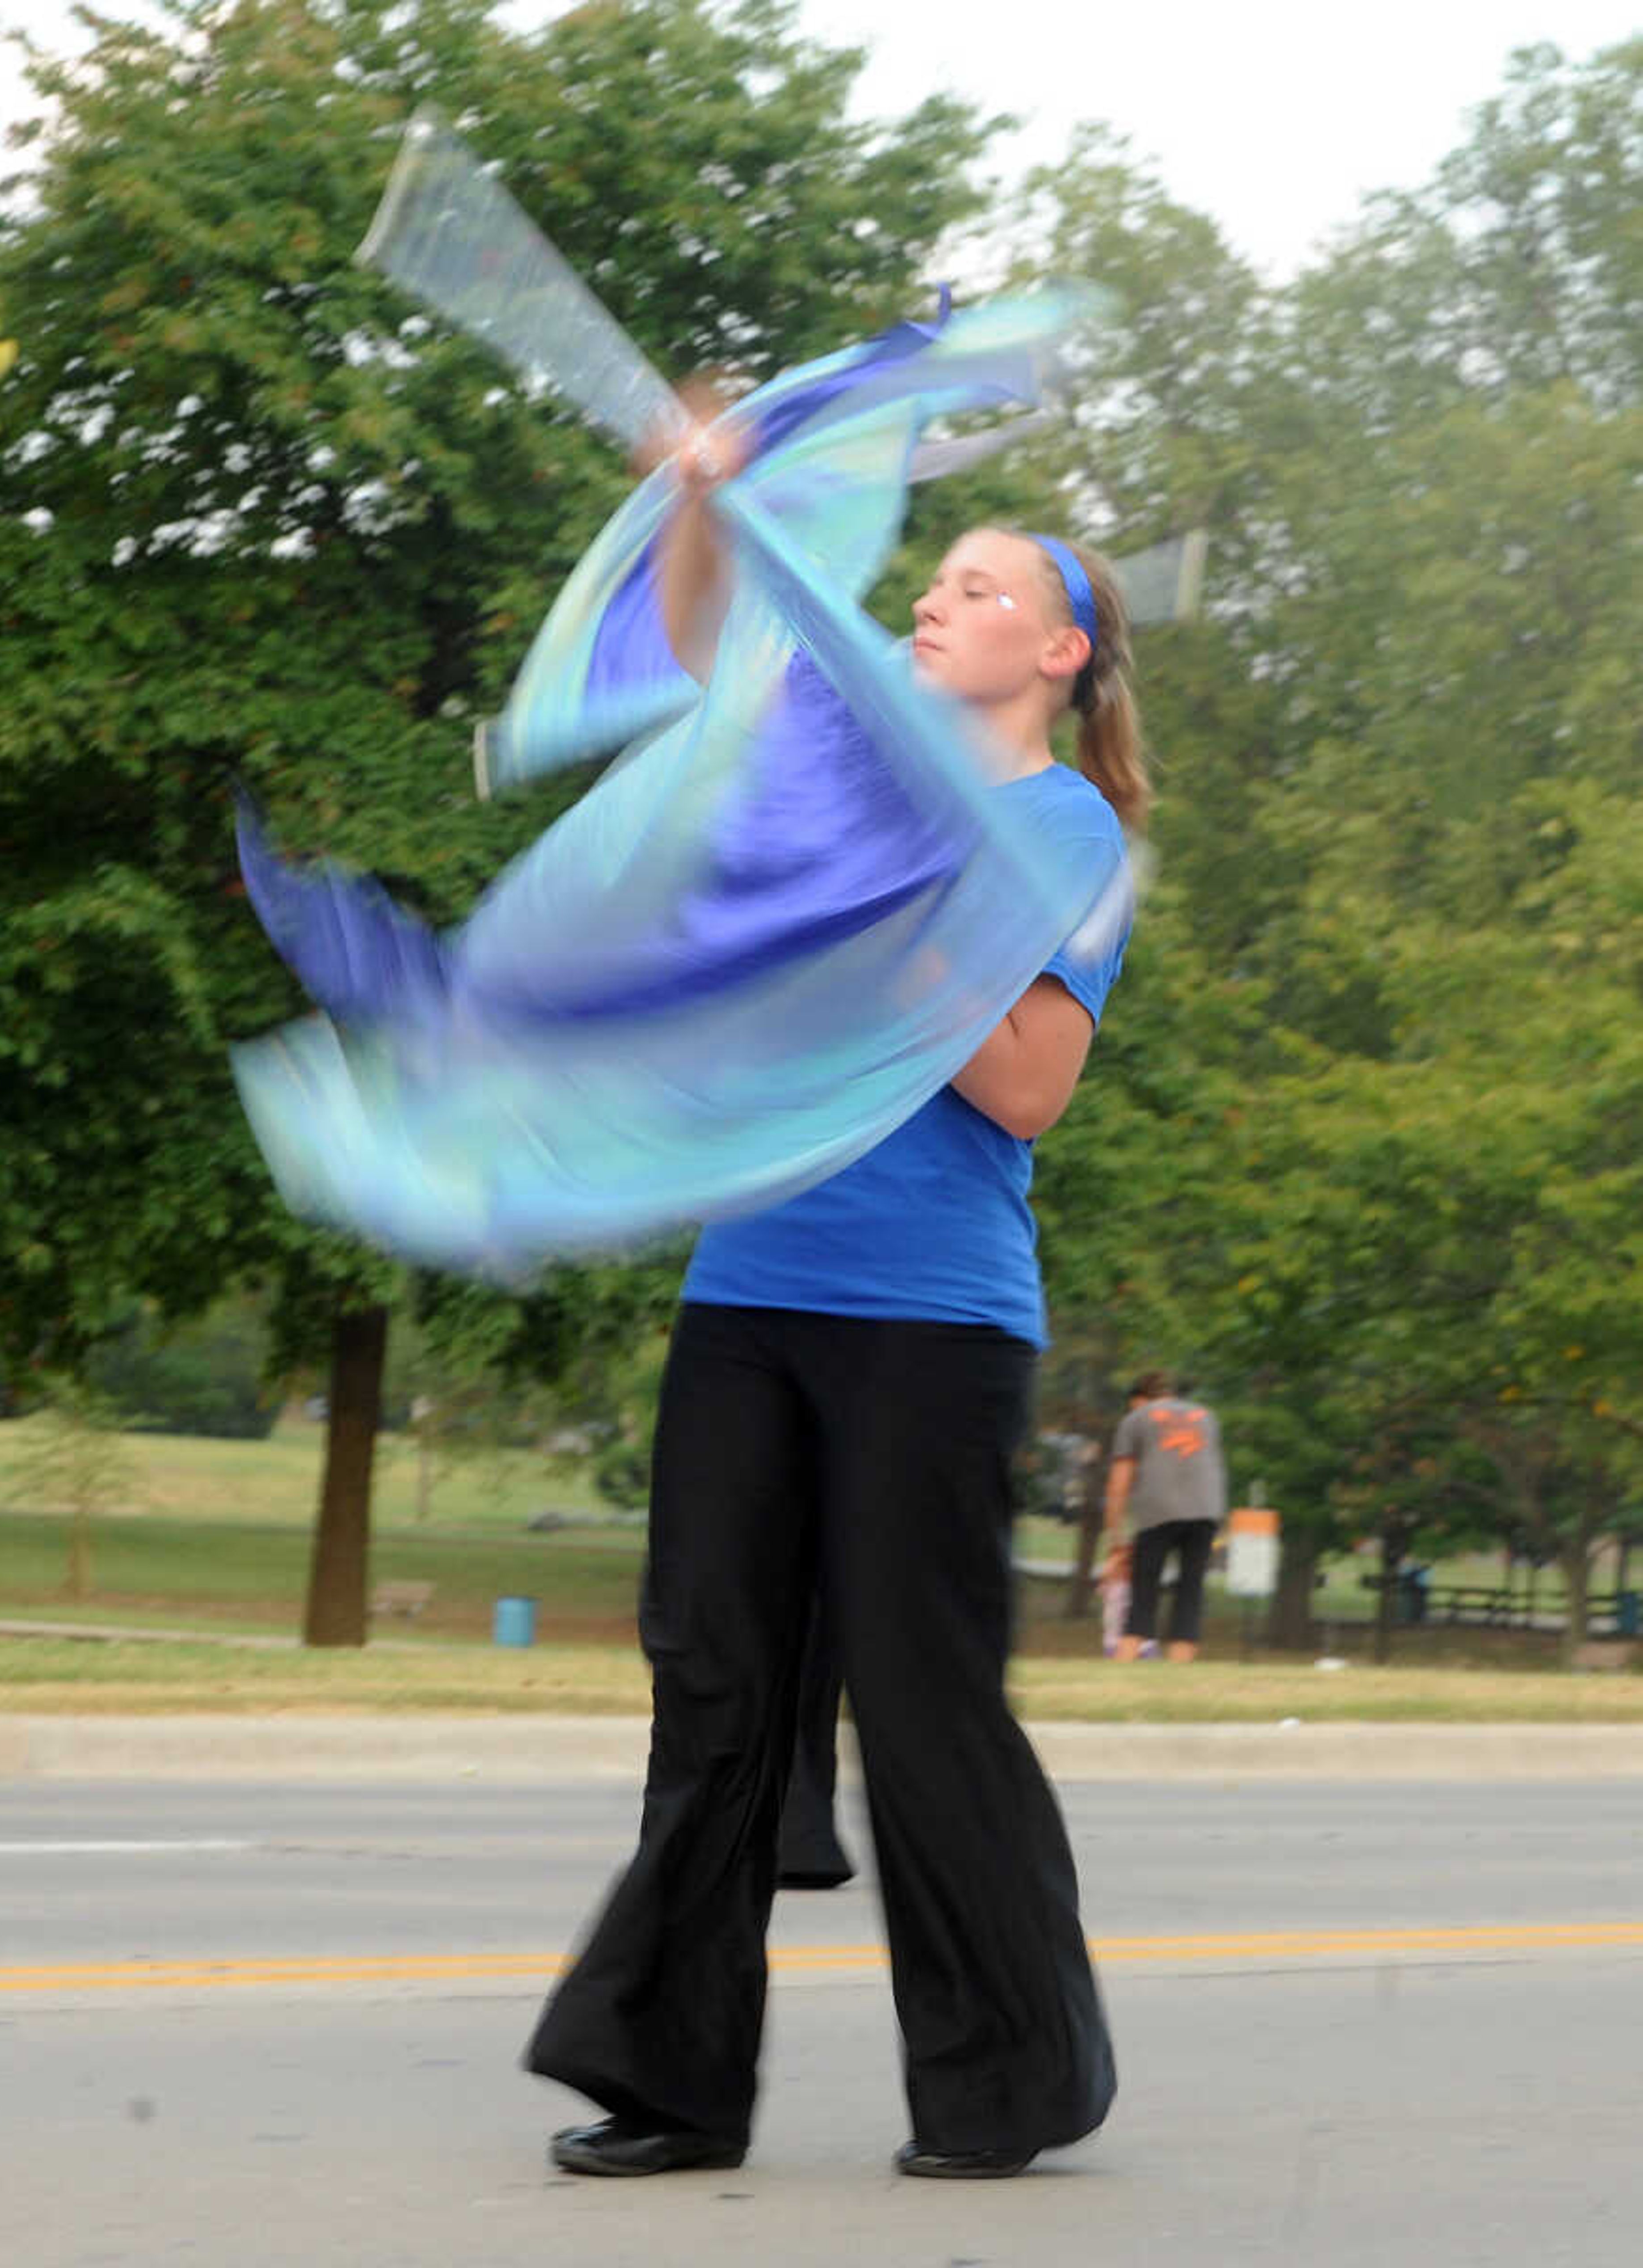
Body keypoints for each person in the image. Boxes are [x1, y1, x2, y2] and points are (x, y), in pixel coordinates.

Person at [525, 403, 1147, 2180]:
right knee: (713, 1678)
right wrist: (703, 497)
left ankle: (1005, 2083)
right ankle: (671, 2081)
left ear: (1058, 647)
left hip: (934, 1322)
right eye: (932, 581)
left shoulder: (1065, 833)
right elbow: (705, 635)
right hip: (755, 1287)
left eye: (975, 586)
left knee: (924, 1695)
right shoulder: (843, 760)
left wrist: (898, 905)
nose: (933, 605)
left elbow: (1025, 1083)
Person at [1102, 1372, 1227, 1663]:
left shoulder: (1135, 1419)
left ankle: (1127, 1658)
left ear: (1139, 1399)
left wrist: (1116, 1536)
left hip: (1157, 1510)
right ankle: (1180, 1665)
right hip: (1206, 1509)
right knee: (1191, 1588)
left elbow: (1119, 1483)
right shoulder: (1207, 1416)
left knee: (1144, 1589)